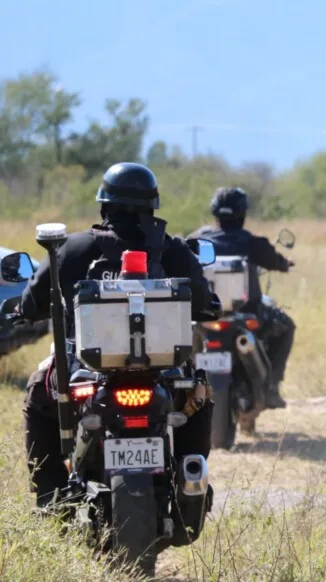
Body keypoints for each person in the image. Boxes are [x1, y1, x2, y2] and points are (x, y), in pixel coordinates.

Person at [20, 162, 217, 508]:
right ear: (152, 205)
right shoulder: (173, 250)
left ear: (104, 204)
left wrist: (26, 311)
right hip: (162, 372)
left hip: (86, 369)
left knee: (39, 391)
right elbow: (202, 299)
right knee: (197, 393)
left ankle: (50, 499)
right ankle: (191, 484)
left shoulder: (72, 248)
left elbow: (33, 300)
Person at [190, 187, 295, 415]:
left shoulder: (197, 240)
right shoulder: (251, 242)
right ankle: (273, 386)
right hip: (248, 313)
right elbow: (277, 262)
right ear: (242, 213)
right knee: (286, 326)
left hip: (201, 314)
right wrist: (285, 263)